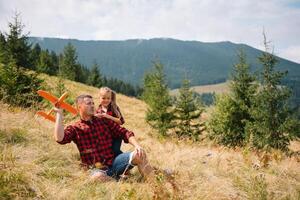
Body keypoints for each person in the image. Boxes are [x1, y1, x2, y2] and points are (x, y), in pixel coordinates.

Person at [54, 94, 153, 181]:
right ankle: (119, 180)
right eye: (89, 104)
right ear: (79, 107)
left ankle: (155, 186)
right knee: (97, 177)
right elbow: (60, 139)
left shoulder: (103, 120)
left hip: (114, 163)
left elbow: (124, 133)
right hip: (95, 169)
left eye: (93, 103)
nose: (92, 105)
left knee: (140, 153)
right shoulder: (75, 128)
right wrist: (59, 113)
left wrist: (137, 146)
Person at [95, 87, 124, 157]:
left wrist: (108, 116)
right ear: (99, 98)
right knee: (108, 152)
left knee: (115, 150)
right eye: (103, 98)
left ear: (111, 98)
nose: (106, 100)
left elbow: (121, 121)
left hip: (116, 135)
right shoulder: (98, 109)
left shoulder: (114, 108)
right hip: (105, 136)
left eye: (108, 98)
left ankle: (128, 159)